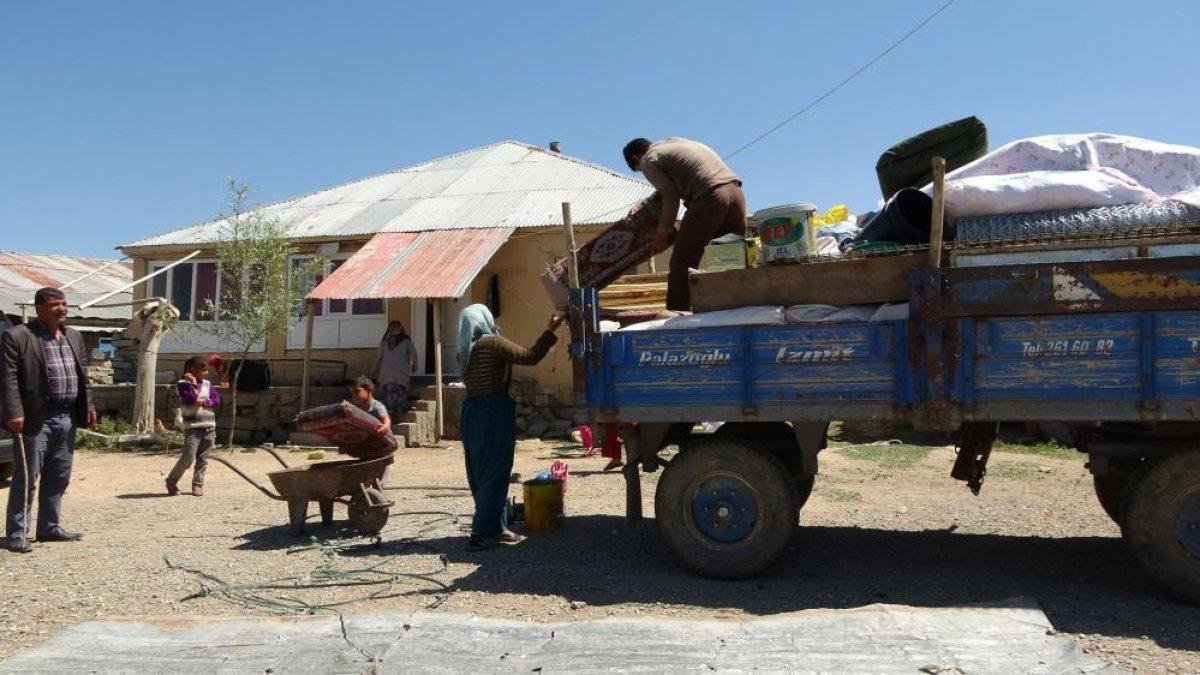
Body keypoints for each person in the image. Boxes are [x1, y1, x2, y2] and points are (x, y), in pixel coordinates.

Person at [457, 304, 563, 551]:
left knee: (481, 472)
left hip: (472, 413)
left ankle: (497, 526)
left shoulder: (465, 351)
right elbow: (530, 356)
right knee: (496, 471)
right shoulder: (491, 343)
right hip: (493, 412)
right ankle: (483, 532)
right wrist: (550, 329)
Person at [2, 287, 95, 553]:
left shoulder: (73, 336)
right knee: (27, 477)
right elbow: (6, 378)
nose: (62, 309)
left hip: (67, 416)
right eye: (55, 305)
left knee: (59, 475)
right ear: (39, 308)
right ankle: (17, 532)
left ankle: (49, 527)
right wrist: (14, 411)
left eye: (64, 304)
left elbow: (82, 375)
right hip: (35, 417)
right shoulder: (18, 336)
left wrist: (88, 404)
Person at [622, 137, 746, 311]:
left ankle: (676, 317)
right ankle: (739, 309)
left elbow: (669, 193)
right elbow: (667, 190)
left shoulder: (648, 160)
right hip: (736, 194)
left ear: (636, 158)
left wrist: (663, 230)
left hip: (710, 198)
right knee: (732, 259)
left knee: (682, 262)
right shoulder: (672, 143)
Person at [166, 356, 220, 497]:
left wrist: (204, 402)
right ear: (193, 370)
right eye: (204, 370)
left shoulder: (208, 384)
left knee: (203, 459)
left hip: (209, 425)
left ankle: (197, 484)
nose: (206, 373)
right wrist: (194, 384)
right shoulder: (183, 384)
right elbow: (192, 399)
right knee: (188, 457)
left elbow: (215, 400)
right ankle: (171, 481)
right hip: (193, 426)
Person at [372, 320, 417, 418]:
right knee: (399, 397)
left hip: (386, 378)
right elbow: (414, 354)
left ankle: (389, 419)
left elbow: (378, 358)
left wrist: (373, 371)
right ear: (401, 329)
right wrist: (414, 366)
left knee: (388, 401)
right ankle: (399, 411)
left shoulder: (384, 342)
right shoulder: (406, 341)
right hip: (401, 377)